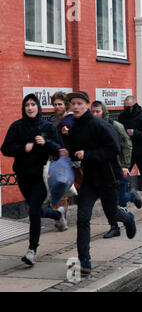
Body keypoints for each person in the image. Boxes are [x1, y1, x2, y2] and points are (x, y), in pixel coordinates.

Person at [64, 91, 137, 275]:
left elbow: (114, 149)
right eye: (73, 104)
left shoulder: (99, 125)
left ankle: (128, 218)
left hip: (107, 177)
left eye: (80, 103)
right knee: (82, 217)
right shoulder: (74, 128)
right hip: (89, 179)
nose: (76, 106)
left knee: (112, 215)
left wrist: (87, 154)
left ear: (86, 105)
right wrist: (68, 152)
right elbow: (75, 151)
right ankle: (85, 261)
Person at [1, 94, 67, 266]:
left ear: (38, 107)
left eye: (33, 104)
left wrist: (45, 142)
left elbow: (59, 149)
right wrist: (23, 147)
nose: (30, 108)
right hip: (23, 175)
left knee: (33, 212)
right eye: (27, 105)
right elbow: (5, 148)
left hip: (42, 176)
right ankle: (57, 214)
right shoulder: (17, 126)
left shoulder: (46, 126)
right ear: (23, 108)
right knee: (35, 209)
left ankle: (32, 251)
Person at [91, 101, 142, 239]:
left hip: (117, 168)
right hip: (102, 171)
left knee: (118, 199)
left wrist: (125, 166)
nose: (95, 114)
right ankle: (114, 227)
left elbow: (127, 145)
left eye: (98, 111)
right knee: (110, 201)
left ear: (104, 112)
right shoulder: (92, 127)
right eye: (93, 112)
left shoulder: (115, 126)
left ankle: (132, 196)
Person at [118, 96, 142, 205]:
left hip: (141, 151)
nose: (127, 109)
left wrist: (135, 133)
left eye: (129, 107)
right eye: (125, 106)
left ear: (134, 105)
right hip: (127, 152)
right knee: (124, 175)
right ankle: (123, 202)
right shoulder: (122, 116)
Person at [50, 91, 75, 231]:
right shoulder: (52, 121)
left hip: (73, 160)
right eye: (55, 104)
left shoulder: (72, 120)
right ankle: (61, 217)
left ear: (66, 105)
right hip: (56, 159)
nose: (57, 106)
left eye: (60, 104)